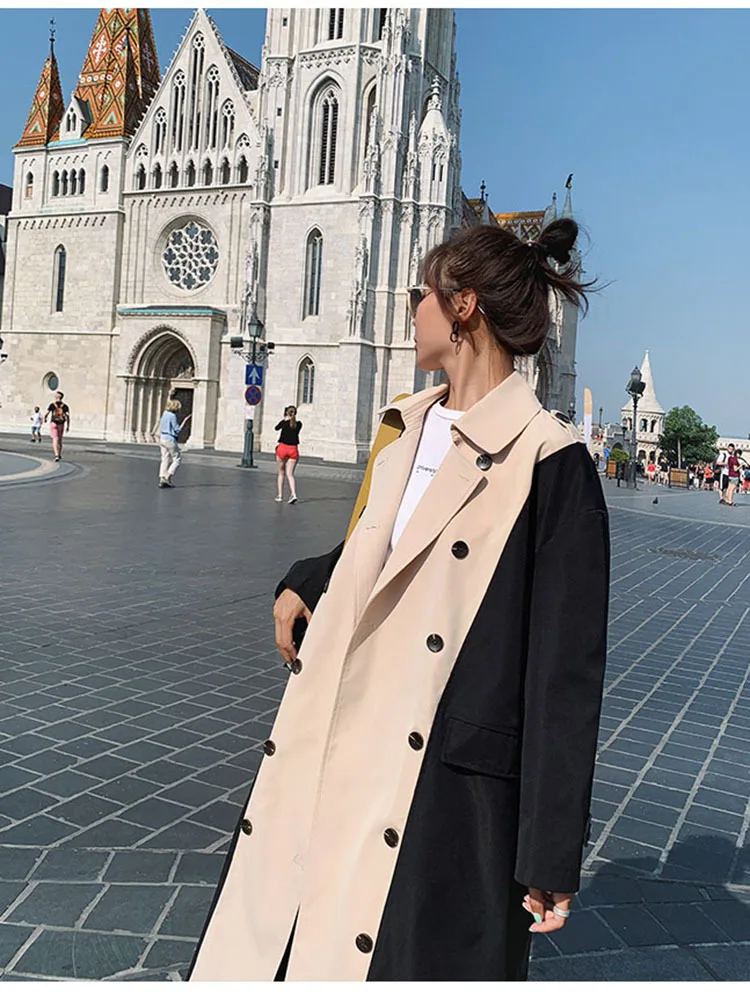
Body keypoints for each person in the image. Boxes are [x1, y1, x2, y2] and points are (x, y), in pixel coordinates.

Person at [189, 219, 610, 982]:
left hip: (439, 786)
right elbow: (388, 543)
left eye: (423, 292)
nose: (411, 307)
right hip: (336, 732)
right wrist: (311, 577)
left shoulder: (553, 462)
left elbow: (564, 677)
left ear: (463, 306)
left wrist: (551, 848)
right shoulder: (404, 425)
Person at [158, 398, 191, 488]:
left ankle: (162, 478)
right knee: (177, 459)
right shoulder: (172, 416)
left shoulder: (164, 413)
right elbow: (177, 430)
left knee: (165, 458)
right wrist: (184, 421)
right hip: (170, 439)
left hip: (162, 438)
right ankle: (167, 476)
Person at [275, 405, 301, 504]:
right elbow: (294, 425)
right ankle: (293, 494)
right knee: (290, 474)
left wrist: (284, 419)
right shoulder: (299, 424)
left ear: (286, 413)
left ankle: (280, 495)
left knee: (281, 472)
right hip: (293, 449)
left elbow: (276, 428)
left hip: (282, 448)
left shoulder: (284, 423)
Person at [44, 391, 69, 461]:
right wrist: (68, 425)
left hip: (53, 423)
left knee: (55, 439)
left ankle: (56, 455)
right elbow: (67, 416)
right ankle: (59, 454)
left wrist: (45, 418)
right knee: (60, 439)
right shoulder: (65, 406)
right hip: (61, 423)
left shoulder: (52, 405)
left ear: (57, 397)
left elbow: (47, 413)